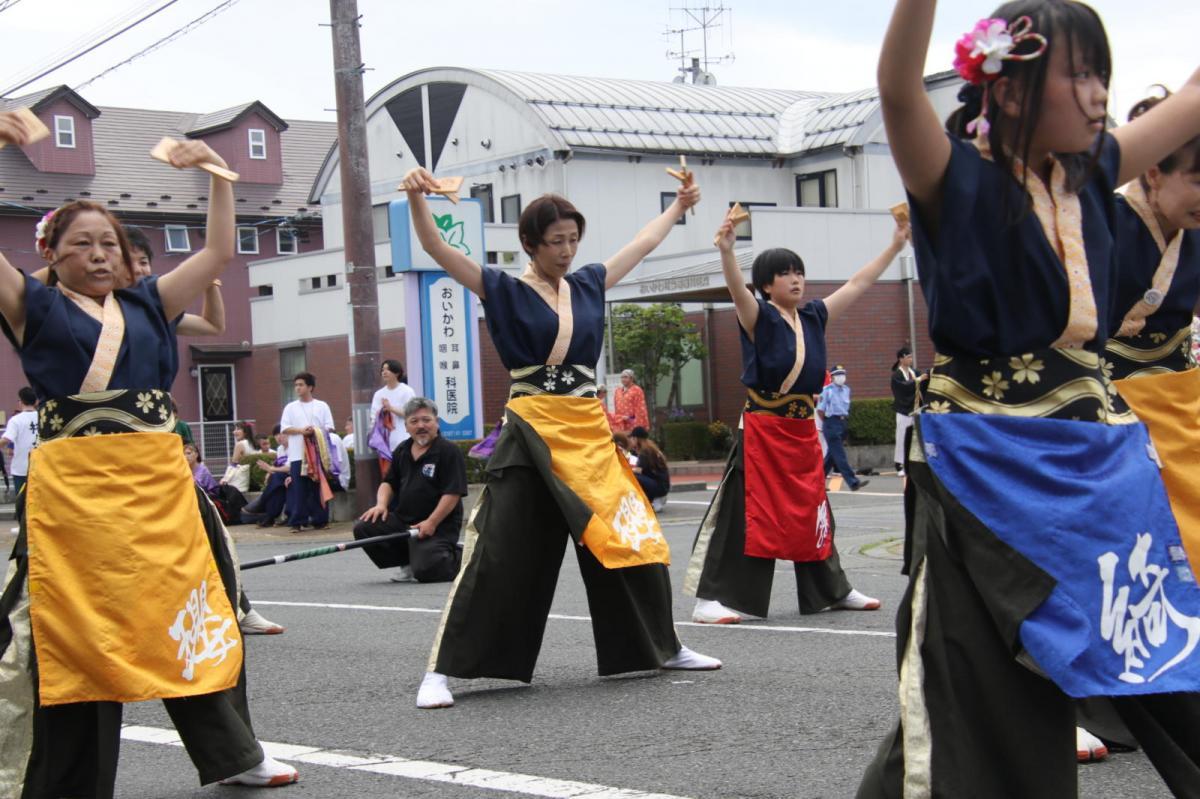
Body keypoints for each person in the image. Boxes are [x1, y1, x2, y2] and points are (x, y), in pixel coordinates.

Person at [859, 3, 1200, 797]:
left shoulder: (1091, 171)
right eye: (1077, 74)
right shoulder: (955, 179)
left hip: (1097, 465)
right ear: (1008, 92)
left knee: (1166, 647)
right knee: (976, 688)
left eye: (1101, 75)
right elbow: (896, 88)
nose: (1095, 94)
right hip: (989, 469)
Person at [0, 122, 296, 795]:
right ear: (49, 252)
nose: (100, 254)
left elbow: (221, 249)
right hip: (75, 498)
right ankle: (67, 781)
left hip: (158, 491)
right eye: (81, 244)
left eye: (109, 243)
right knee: (73, 630)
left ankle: (233, 750)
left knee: (195, 610)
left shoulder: (150, 302)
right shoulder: (32, 305)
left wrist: (219, 171)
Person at [401, 166, 720, 710]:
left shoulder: (589, 282)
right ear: (530, 243)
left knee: (631, 536)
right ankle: (442, 670)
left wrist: (679, 206)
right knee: (498, 550)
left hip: (588, 432)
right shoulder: (501, 287)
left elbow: (641, 245)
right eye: (556, 242)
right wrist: (415, 198)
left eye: (573, 239)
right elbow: (434, 246)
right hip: (531, 429)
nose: (567, 250)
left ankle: (661, 646)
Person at [686, 213, 902, 626]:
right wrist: (727, 251)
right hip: (763, 429)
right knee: (743, 511)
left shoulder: (815, 316)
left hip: (802, 429)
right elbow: (736, 289)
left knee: (813, 507)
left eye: (799, 272)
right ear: (767, 285)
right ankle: (710, 598)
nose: (795, 279)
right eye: (784, 274)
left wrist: (894, 245)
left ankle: (832, 590)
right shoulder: (758, 316)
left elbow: (858, 284)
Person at [1075, 88, 1200, 762]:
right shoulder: (1105, 221)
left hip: (1181, 408)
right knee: (1112, 560)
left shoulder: (1194, 235)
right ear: (1151, 170)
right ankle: (1081, 704)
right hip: (1107, 411)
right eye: (1196, 178)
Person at [353, 397, 466, 584]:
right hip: (404, 520)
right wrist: (381, 505)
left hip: (438, 526)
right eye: (414, 421)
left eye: (426, 420)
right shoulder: (402, 451)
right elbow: (388, 483)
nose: (421, 425)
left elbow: (452, 493)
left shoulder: (448, 451)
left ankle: (463, 557)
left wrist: (431, 522)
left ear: (436, 422)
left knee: (427, 571)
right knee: (364, 527)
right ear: (406, 426)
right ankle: (407, 562)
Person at [279, 371, 335, 532]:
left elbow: (329, 427)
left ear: (310, 387)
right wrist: (301, 431)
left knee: (317, 487)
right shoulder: (290, 407)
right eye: (296, 385)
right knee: (299, 489)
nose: (297, 388)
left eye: (301, 384)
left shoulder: (322, 405)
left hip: (317, 454)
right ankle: (297, 521)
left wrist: (314, 430)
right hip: (298, 455)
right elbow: (285, 428)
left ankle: (321, 520)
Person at [818, 365, 870, 491]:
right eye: (838, 375)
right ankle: (853, 482)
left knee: (831, 457)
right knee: (840, 455)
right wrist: (828, 422)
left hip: (842, 422)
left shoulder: (846, 389)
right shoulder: (827, 390)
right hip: (831, 423)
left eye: (843, 374)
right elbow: (820, 410)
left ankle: (817, 483)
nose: (841, 377)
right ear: (832, 377)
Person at [369, 359, 416, 474]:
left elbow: (412, 413)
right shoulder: (379, 394)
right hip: (385, 443)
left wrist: (391, 408)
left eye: (388, 369)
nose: (384, 372)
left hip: (404, 439)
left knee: (405, 473)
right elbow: (374, 418)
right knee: (389, 476)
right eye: (383, 370)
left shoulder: (406, 391)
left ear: (397, 373)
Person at [889, 347, 925, 476]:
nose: (910, 359)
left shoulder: (915, 372)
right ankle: (900, 464)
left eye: (911, 357)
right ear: (901, 359)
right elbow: (903, 388)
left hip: (916, 409)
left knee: (917, 437)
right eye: (908, 357)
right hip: (904, 410)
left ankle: (916, 463)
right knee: (902, 437)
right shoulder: (896, 376)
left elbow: (921, 386)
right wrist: (918, 380)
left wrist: (923, 380)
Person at [1, 387, 38, 495]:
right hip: (41, 467)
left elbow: (6, 439)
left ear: (20, 402)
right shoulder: (44, 417)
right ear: (36, 401)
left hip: (21, 468)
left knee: (21, 502)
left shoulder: (16, 420)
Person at [628, 426, 670, 511]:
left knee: (633, 476)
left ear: (636, 439)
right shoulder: (650, 448)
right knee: (634, 475)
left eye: (632, 438)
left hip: (659, 486)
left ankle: (652, 500)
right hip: (662, 485)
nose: (631, 441)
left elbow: (638, 471)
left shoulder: (645, 451)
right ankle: (654, 499)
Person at [612, 369, 650, 434]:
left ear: (631, 378)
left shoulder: (637, 390)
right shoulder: (617, 391)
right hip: (621, 423)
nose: (623, 379)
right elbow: (616, 408)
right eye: (622, 377)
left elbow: (640, 409)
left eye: (626, 377)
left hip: (633, 423)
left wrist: (630, 419)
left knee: (633, 442)